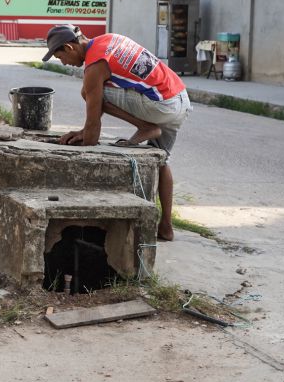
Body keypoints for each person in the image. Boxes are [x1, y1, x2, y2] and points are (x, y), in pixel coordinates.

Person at [43, 25, 191, 241]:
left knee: (89, 90)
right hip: (179, 97)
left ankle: (146, 127)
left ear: (69, 47)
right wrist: (85, 129)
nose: (64, 62)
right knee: (161, 160)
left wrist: (85, 135)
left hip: (162, 106)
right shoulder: (110, 39)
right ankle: (166, 227)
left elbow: (93, 135)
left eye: (60, 56)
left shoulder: (94, 66)